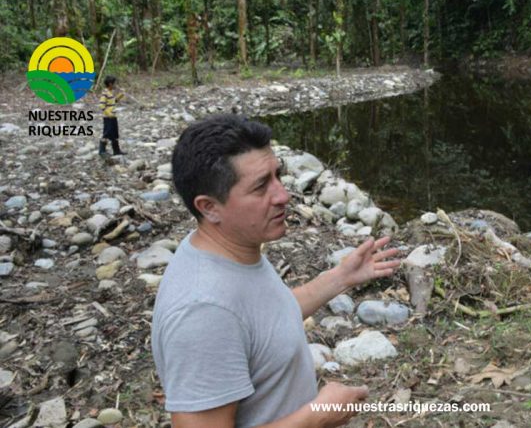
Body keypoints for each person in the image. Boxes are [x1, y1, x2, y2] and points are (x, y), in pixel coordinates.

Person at [151, 114, 402, 428]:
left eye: (277, 175)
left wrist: (340, 277)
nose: (283, 195)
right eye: (260, 187)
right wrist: (317, 416)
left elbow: (262, 323)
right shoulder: (203, 312)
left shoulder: (229, 248)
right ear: (209, 207)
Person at [99, 75, 125, 156]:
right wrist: (108, 113)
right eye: (114, 83)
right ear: (110, 84)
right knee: (106, 133)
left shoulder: (110, 93)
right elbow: (102, 105)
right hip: (108, 117)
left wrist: (120, 96)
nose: (115, 85)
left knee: (114, 134)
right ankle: (102, 151)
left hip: (113, 116)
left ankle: (116, 150)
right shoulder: (105, 93)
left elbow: (113, 102)